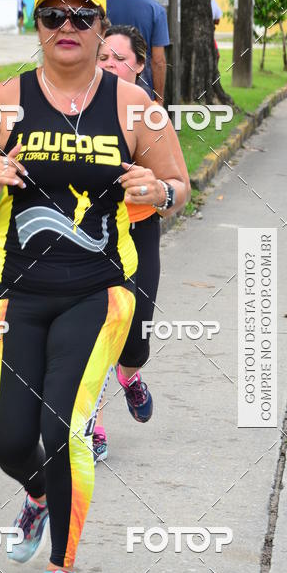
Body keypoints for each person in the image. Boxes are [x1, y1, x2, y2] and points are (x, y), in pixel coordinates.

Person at [0, 0, 189, 573]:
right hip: (12, 289)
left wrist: (159, 191)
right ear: (39, 26)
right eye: (54, 15)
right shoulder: (7, 100)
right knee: (5, 440)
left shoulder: (134, 106)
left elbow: (178, 184)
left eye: (83, 17)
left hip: (98, 290)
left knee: (63, 429)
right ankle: (36, 492)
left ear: (102, 29)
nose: (68, 27)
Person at [94, 25, 190, 462]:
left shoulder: (150, 116)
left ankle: (130, 376)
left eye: (119, 58)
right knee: (96, 330)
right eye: (103, 57)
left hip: (139, 230)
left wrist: (157, 191)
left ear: (138, 65)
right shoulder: (75, 111)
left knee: (136, 339)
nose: (110, 64)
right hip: (94, 234)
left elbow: (178, 188)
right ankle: (90, 425)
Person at [106, 0, 170, 102]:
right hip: (141, 86)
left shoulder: (105, 5)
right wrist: (159, 99)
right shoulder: (156, 11)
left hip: (108, 82)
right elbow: (158, 61)